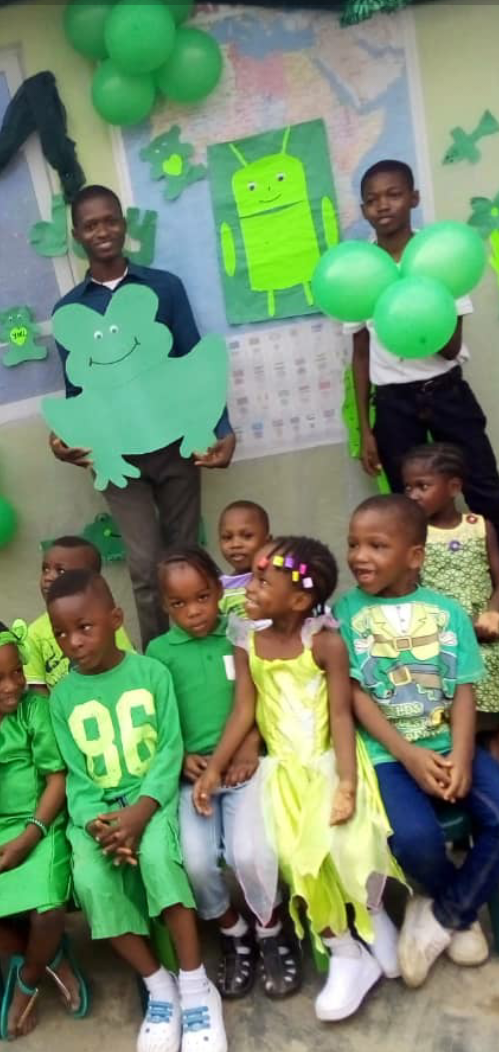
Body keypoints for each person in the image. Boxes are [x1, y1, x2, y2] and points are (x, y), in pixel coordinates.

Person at [193, 536, 404, 1022]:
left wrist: (347, 783)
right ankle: (344, 950)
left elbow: (342, 715)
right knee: (296, 857)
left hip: (329, 762)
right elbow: (244, 710)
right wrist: (217, 767)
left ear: (299, 600)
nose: (250, 586)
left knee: (351, 840)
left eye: (263, 581)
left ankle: (373, 915)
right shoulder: (246, 641)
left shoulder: (325, 642)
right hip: (283, 773)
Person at [46, 569, 227, 1052]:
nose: (73, 642)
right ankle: (159, 986)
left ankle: (196, 987)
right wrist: (98, 825)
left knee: (159, 861)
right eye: (61, 633)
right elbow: (76, 774)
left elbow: (169, 750)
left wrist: (141, 812)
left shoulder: (151, 674)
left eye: (84, 627)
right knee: (92, 881)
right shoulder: (61, 697)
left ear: (116, 619)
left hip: (153, 801)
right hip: (98, 818)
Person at [49, 185, 236, 649]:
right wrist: (66, 440)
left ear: (123, 223)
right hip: (117, 457)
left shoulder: (164, 287)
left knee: (187, 557)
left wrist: (221, 429)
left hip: (176, 444)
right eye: (91, 225)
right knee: (145, 566)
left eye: (110, 220)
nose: (103, 231)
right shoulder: (69, 311)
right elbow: (77, 390)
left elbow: (195, 360)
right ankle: (161, 661)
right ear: (77, 235)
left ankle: (209, 653)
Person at [337, 493, 499, 988]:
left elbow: (464, 690)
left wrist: (463, 756)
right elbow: (355, 695)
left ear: (414, 556)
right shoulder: (345, 613)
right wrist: (408, 755)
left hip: (450, 742)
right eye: (353, 544)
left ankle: (442, 915)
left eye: (376, 545)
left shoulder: (447, 612)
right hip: (388, 754)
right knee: (414, 840)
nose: (359, 556)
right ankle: (456, 907)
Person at [147, 547, 302, 1001]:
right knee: (196, 862)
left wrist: (251, 743)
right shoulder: (158, 653)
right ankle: (233, 930)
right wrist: (179, 758)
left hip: (242, 768)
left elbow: (261, 698)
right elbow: (158, 717)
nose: (193, 611)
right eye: (179, 604)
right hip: (192, 775)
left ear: (219, 591)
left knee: (249, 853)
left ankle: (270, 928)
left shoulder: (242, 635)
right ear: (164, 606)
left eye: (202, 597)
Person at [0, 617, 87, 1040]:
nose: (12, 686)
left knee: (48, 910)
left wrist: (29, 837)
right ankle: (50, 957)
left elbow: (57, 780)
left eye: (17, 672)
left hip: (42, 824)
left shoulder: (34, 710)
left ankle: (27, 979)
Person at [350, 159, 499, 536]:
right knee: (408, 509)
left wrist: (420, 302)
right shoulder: (359, 271)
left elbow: (450, 348)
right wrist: (366, 430)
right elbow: (361, 354)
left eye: (393, 194)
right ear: (364, 210)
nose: (383, 205)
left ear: (413, 198)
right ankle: (427, 574)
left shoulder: (439, 259)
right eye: (372, 200)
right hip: (392, 404)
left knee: (484, 488)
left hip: (446, 393)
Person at [402, 443, 499, 759]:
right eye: (408, 488)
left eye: (423, 486)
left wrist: (493, 612)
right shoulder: (413, 536)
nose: (413, 495)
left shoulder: (479, 527)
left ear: (454, 487)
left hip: (486, 632)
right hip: (441, 637)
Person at [25, 535, 133, 694]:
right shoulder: (34, 633)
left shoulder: (105, 622)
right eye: (45, 569)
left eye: (60, 570)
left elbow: (127, 668)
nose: (48, 577)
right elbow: (38, 693)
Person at [218, 501, 271, 618]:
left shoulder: (276, 581)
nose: (235, 544)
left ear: (267, 542)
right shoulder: (218, 587)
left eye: (247, 536)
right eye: (227, 537)